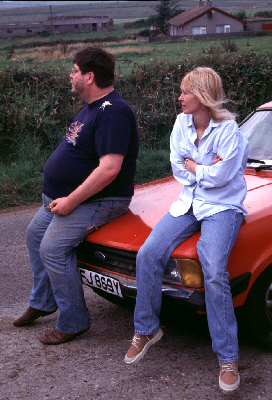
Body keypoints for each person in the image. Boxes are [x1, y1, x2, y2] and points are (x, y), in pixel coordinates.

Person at [124, 67, 248, 394]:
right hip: (189, 201)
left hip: (222, 206)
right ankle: (147, 329)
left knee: (214, 271)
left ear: (204, 96)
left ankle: (227, 357)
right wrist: (202, 168)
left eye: (185, 92)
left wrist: (196, 166)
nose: (179, 97)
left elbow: (223, 178)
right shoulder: (181, 123)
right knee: (148, 254)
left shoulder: (230, 131)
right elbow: (178, 167)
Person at [13, 47, 139, 345]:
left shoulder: (114, 112)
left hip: (99, 201)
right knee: (35, 236)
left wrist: (71, 200)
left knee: (53, 249)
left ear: (90, 76)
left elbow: (110, 169)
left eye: (75, 70)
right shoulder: (92, 106)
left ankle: (74, 321)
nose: (71, 75)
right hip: (66, 197)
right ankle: (44, 302)